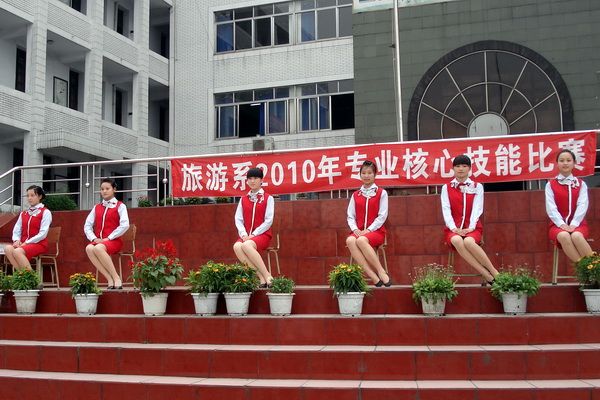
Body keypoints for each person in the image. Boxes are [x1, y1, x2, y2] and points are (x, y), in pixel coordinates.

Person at [441, 154, 498, 284]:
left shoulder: (477, 186)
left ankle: (494, 272)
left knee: (468, 242)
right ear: (453, 169)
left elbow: (478, 208)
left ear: (470, 168)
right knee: (457, 240)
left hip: (473, 226)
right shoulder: (446, 187)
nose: (461, 169)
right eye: (457, 166)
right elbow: (446, 209)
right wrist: (454, 228)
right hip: (453, 228)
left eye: (464, 166)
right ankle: (486, 274)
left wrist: (471, 227)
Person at [346, 160, 391, 287]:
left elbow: (382, 216)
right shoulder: (356, 195)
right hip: (359, 231)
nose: (366, 175)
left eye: (370, 173)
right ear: (360, 175)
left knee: (361, 240)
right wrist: (355, 229)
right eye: (364, 173)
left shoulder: (381, 193)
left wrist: (369, 230)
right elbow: (350, 216)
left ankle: (381, 271)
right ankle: (372, 275)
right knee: (350, 240)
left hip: (376, 232)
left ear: (375, 175)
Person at [545, 149, 594, 262]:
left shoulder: (581, 184)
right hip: (557, 226)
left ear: (574, 163)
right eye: (562, 160)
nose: (565, 163)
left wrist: (574, 224)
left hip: (579, 224)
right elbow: (551, 208)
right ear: (557, 164)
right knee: (564, 236)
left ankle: (594, 268)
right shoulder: (550, 185)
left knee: (576, 236)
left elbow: (582, 205)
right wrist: (562, 224)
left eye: (568, 160)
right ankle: (583, 269)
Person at [84, 178, 129, 289]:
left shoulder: (120, 206)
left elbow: (125, 225)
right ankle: (109, 278)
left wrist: (109, 238)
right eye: (102, 189)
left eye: (107, 188)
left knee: (98, 248)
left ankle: (116, 277)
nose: (104, 191)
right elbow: (87, 225)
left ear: (114, 189)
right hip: (99, 241)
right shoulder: (97, 207)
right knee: (89, 248)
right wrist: (93, 238)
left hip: (114, 241)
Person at [233, 168, 274, 288]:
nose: (252, 181)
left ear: (261, 180)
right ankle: (260, 278)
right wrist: (243, 234)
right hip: (246, 235)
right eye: (250, 178)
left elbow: (269, 220)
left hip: (262, 235)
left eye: (255, 178)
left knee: (246, 245)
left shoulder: (268, 198)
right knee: (237, 246)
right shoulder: (243, 199)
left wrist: (254, 234)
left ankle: (267, 275)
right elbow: (238, 219)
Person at [4, 185, 52, 270]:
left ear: (40, 196)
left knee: (17, 251)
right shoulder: (24, 213)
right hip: (23, 243)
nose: (29, 198)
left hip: (38, 244)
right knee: (8, 249)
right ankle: (22, 275)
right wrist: (16, 240)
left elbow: (43, 233)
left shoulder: (45, 212)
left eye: (32, 195)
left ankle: (30, 277)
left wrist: (27, 242)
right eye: (28, 196)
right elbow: (17, 229)